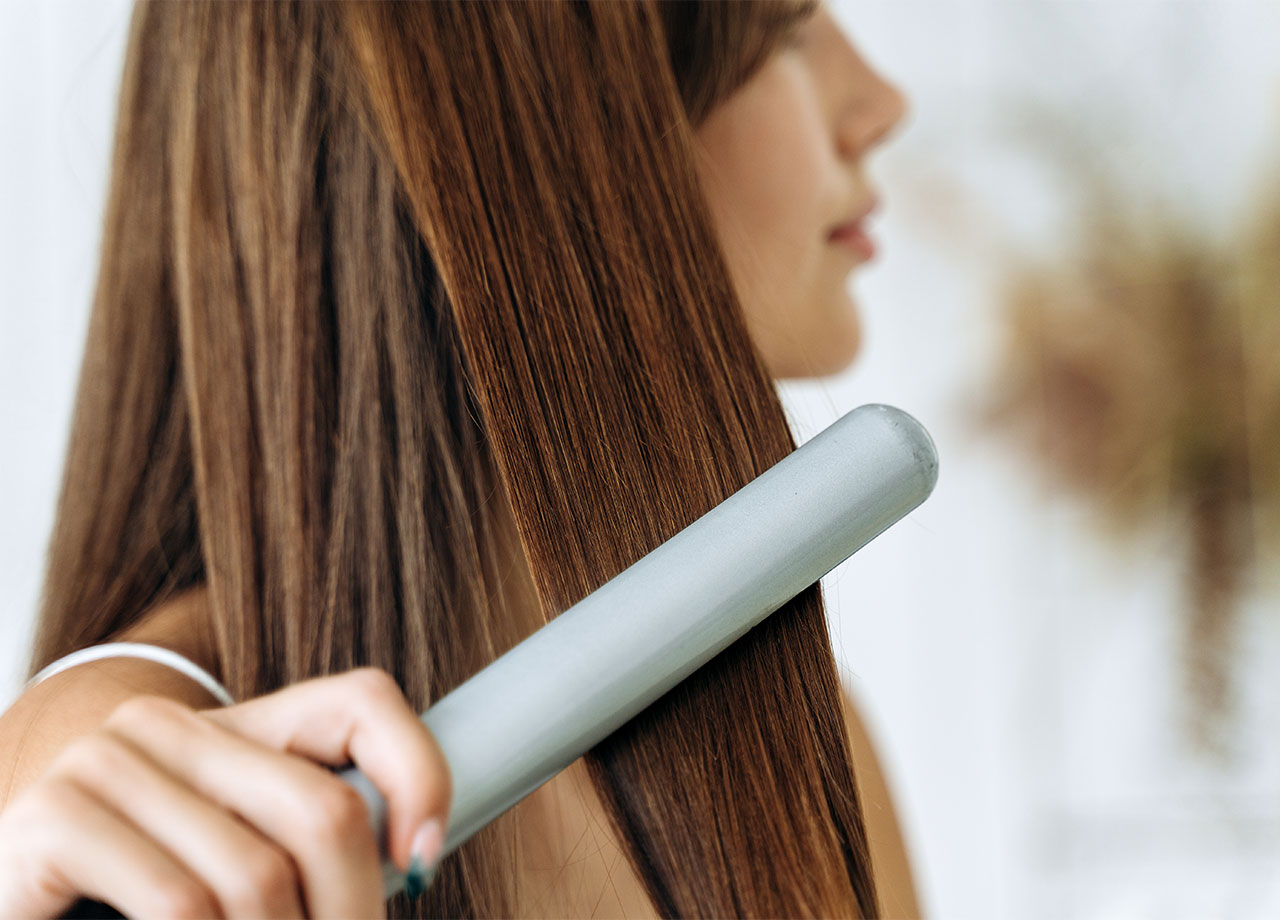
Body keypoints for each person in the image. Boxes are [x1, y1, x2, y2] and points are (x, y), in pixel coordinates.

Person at [0, 1, 914, 917]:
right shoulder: (126, 762)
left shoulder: (789, 743)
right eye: (785, 29)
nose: (882, 102)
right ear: (528, 120)